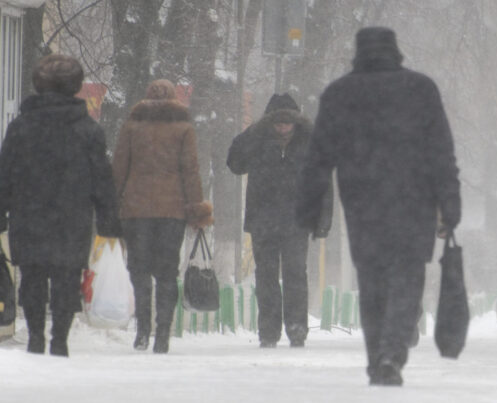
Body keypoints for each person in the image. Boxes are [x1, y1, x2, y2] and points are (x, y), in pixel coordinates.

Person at [296, 27, 461, 386]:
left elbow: (318, 158)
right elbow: (441, 153)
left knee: (371, 284)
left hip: (362, 204)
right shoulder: (421, 89)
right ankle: (391, 354)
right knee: (407, 280)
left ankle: (378, 358)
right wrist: (449, 205)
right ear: (395, 51)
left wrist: (308, 208)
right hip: (414, 203)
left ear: (358, 53)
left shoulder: (339, 94)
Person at [0, 54, 122, 356]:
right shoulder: (88, 130)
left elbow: (5, 175)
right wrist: (109, 219)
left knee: (32, 276)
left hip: (29, 215)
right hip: (72, 216)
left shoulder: (20, 128)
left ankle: (36, 338)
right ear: (76, 86)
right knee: (68, 276)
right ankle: (59, 340)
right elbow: (101, 178)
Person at [112, 79, 213, 353]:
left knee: (140, 270)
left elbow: (119, 167)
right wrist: (196, 209)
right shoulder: (183, 129)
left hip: (136, 210)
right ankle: (163, 335)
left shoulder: (132, 127)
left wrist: (112, 203)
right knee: (167, 274)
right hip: (172, 211)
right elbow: (190, 171)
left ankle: (143, 330)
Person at [227, 93, 332, 349]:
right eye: (277, 122)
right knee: (266, 277)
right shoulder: (257, 141)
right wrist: (253, 131)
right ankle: (269, 331)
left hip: (298, 221)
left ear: (296, 123)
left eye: (288, 122)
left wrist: (322, 220)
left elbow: (324, 183)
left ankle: (297, 329)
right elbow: (235, 163)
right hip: (264, 222)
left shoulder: (310, 143)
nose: (283, 127)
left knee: (296, 275)